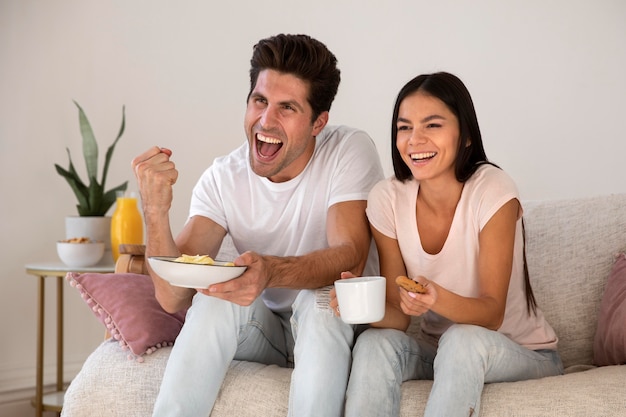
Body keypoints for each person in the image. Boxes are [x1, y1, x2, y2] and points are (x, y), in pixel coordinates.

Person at [131, 33, 384, 417]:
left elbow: (350, 254)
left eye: (287, 108)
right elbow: (172, 296)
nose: (266, 120)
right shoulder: (223, 176)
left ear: (318, 123)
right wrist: (154, 210)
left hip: (328, 328)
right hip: (262, 331)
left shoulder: (348, 150)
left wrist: (270, 272)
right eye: (260, 101)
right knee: (214, 300)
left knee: (318, 306)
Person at [334, 72, 563, 417]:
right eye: (404, 127)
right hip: (440, 350)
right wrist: (359, 307)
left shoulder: (493, 190)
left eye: (433, 125)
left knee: (462, 339)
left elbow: (491, 313)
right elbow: (397, 316)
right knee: (374, 343)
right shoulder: (387, 198)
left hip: (521, 352)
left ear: (466, 135)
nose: (415, 140)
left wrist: (436, 297)